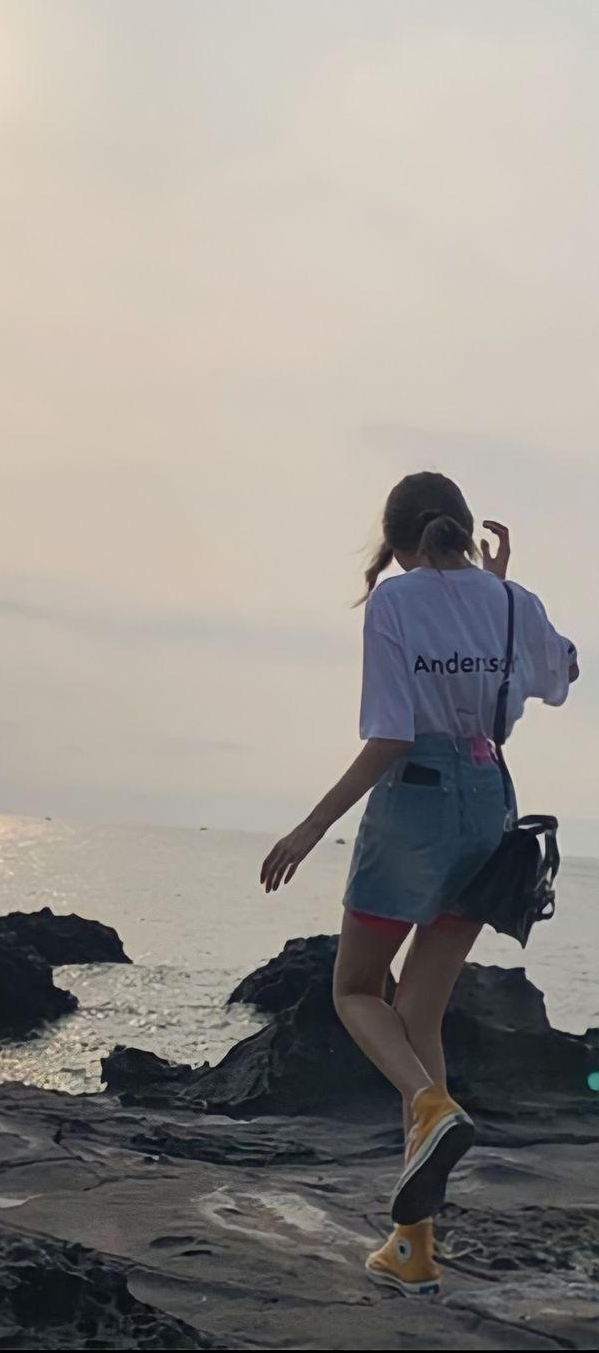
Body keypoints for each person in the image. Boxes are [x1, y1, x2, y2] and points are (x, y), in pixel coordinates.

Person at [261, 472, 578, 1297]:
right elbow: (559, 678)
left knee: (356, 988)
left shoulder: (396, 605)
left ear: (397, 543)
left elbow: (391, 737)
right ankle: (414, 1244)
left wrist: (309, 827)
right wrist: (497, 597)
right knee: (420, 1013)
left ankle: (430, 1105)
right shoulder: (512, 602)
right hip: (491, 806)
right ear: (469, 533)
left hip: (418, 806)